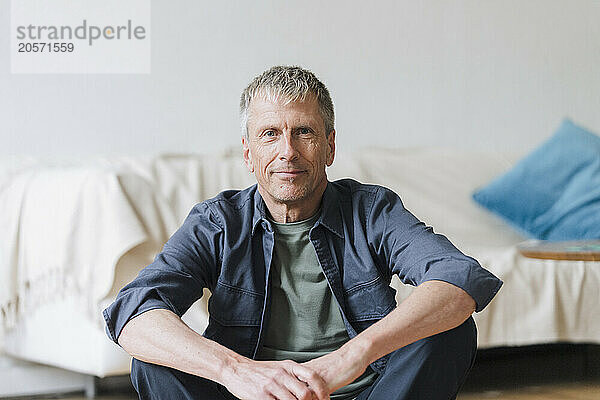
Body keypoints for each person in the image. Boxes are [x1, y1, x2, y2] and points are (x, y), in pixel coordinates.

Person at [103, 65, 502, 400]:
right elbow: (134, 310)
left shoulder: (371, 209)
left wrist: (349, 358)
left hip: (363, 393)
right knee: (154, 358)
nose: (288, 152)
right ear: (248, 154)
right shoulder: (218, 222)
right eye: (270, 134)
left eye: (304, 133)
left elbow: (457, 276)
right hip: (247, 394)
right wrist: (236, 371)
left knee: (450, 329)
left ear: (329, 147)